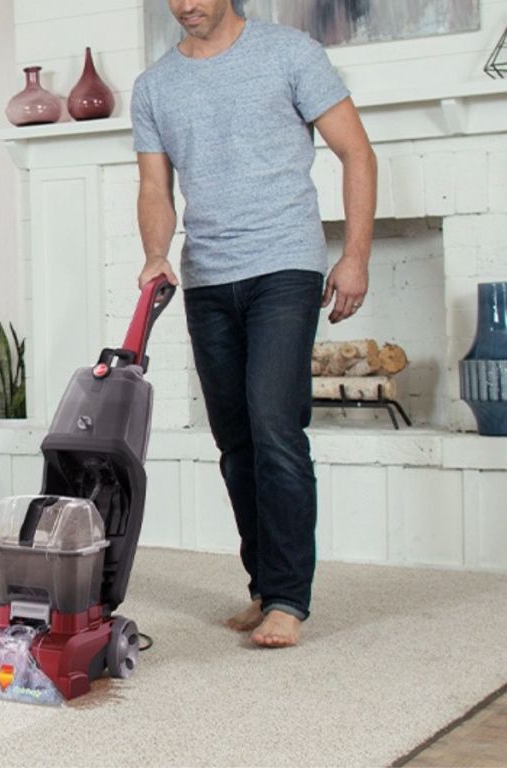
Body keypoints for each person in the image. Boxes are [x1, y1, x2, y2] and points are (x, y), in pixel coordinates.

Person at [132, 0, 377, 647]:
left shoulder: (290, 55)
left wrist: (354, 257)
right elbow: (155, 187)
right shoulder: (154, 85)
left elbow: (357, 153)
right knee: (236, 442)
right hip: (208, 279)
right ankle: (264, 586)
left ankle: (290, 602)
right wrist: (157, 253)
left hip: (283, 267)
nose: (184, 5)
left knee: (274, 427)